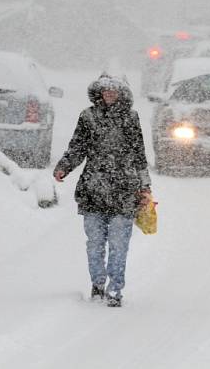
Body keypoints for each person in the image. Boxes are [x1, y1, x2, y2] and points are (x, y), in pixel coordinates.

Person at [53, 73, 152, 307]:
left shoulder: (131, 118)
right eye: (105, 89)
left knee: (119, 244)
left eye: (113, 90)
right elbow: (77, 147)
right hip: (93, 190)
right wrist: (64, 167)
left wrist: (145, 186)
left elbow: (139, 155)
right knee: (95, 242)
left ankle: (115, 290)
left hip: (124, 191)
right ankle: (97, 284)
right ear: (98, 92)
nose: (109, 94)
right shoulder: (87, 117)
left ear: (121, 93)